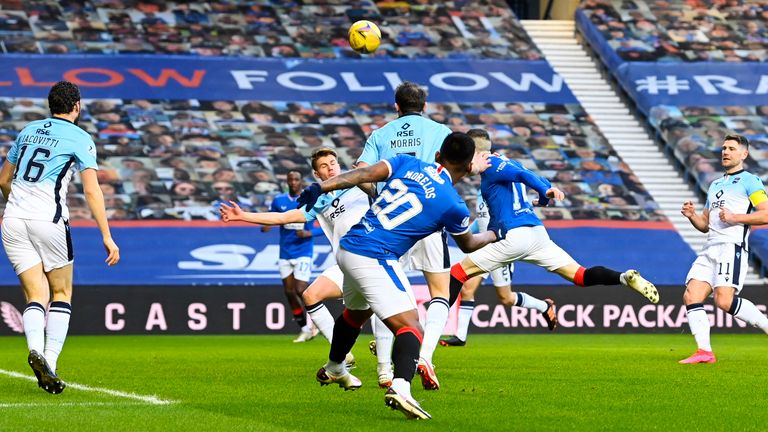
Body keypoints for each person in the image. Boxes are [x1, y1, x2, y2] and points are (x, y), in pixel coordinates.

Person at [434, 129, 660, 389]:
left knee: (457, 275)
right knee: (580, 276)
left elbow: (523, 176)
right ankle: (623, 277)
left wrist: (546, 188)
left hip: (515, 237)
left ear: (476, 153)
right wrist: (543, 196)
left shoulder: (494, 164)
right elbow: (522, 177)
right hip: (536, 234)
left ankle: (426, 337)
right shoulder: (502, 165)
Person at [299, 132, 496, 420]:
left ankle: (334, 367)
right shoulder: (454, 205)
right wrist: (496, 233)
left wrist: (321, 186)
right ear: (468, 168)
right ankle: (401, 387)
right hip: (375, 256)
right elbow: (468, 244)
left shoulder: (407, 163)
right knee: (411, 326)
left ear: (438, 156)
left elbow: (362, 173)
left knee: (356, 314)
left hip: (349, 247)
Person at [0, 81, 120, 394]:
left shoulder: (28, 130)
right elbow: (92, 190)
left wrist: (18, 204)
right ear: (77, 106)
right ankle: (49, 361)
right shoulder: (80, 137)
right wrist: (107, 236)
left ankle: (35, 351)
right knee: (61, 291)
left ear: (50, 104)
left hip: (12, 219)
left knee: (34, 294)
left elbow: (3, 179)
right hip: (48, 220)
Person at [220, 148, 369, 362]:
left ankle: (390, 369)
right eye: (324, 166)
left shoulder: (361, 183)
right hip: (347, 262)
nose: (331, 167)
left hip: (376, 258)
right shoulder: (320, 199)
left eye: (333, 162)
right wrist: (243, 215)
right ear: (317, 175)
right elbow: (285, 217)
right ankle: (343, 355)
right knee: (310, 296)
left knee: (384, 312)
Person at [355, 81, 458, 388]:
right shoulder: (440, 131)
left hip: (389, 220)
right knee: (440, 292)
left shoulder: (380, 134)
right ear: (424, 106)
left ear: (396, 106)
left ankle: (385, 369)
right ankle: (425, 356)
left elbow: (361, 170)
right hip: (428, 216)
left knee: (386, 296)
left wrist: (378, 194)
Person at [440, 129, 556, 348]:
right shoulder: (484, 185)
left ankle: (544, 306)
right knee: (466, 286)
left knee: (506, 298)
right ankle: (460, 336)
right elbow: (482, 219)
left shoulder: (499, 173)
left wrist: (540, 196)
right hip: (485, 246)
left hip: (503, 245)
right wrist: (469, 235)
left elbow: (516, 194)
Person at [679, 134, 768, 364]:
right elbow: (705, 224)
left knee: (724, 301)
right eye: (724, 148)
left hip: (731, 247)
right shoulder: (715, 184)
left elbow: (766, 214)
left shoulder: (751, 181)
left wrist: (735, 217)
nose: (725, 152)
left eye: (731, 148)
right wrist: (692, 216)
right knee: (691, 295)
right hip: (710, 248)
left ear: (744, 154)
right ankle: (704, 352)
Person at [264, 170, 317, 342]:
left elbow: (325, 225)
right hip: (285, 252)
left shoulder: (309, 198)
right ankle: (304, 329)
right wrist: (266, 225)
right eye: (290, 180)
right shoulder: (279, 200)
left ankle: (316, 322)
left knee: (300, 289)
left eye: (296, 179)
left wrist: (310, 233)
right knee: (289, 292)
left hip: (303, 251)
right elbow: (271, 217)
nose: (293, 182)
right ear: (287, 182)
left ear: (301, 181)